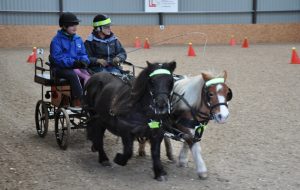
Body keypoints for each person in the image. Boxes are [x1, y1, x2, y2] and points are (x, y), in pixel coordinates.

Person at [50, 12, 90, 107]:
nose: (75, 27)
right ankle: (80, 100)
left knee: (90, 74)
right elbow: (58, 58)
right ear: (64, 26)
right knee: (73, 75)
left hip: (75, 67)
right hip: (60, 69)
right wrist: (74, 63)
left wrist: (84, 60)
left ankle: (90, 97)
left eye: (75, 25)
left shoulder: (78, 39)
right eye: (72, 25)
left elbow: (83, 54)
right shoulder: (56, 40)